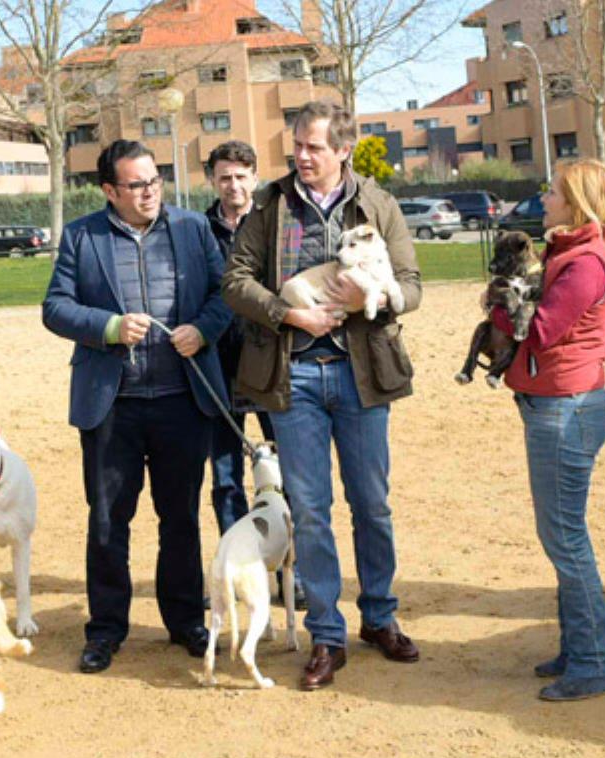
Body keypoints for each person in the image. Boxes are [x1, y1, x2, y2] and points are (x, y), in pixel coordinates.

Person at [222, 100, 422, 691]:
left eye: (313, 148)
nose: (302, 158)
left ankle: (380, 617)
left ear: (343, 150)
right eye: (297, 148)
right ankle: (327, 635)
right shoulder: (268, 204)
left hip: (364, 376)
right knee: (309, 511)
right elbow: (236, 282)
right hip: (294, 378)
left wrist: (372, 301)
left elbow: (412, 286)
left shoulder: (379, 204)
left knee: (372, 504)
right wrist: (289, 315)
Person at [42, 139, 233, 675]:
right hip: (112, 406)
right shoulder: (82, 235)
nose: (150, 193)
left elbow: (225, 295)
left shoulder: (194, 229)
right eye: (137, 185)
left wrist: (203, 329)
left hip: (181, 400)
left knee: (180, 519)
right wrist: (106, 328)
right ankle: (105, 629)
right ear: (109, 190)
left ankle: (184, 621)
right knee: (108, 522)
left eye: (155, 181)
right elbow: (55, 308)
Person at [490, 159, 605, 702]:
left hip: (565, 409)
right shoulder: (574, 252)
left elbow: (542, 330)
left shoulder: (587, 261)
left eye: (552, 192)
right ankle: (578, 648)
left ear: (577, 202)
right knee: (563, 536)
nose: (544, 198)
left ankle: (595, 662)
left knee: (566, 540)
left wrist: (498, 308)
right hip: (561, 404)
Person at [203, 140, 305, 610]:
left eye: (242, 176)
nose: (234, 185)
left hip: (270, 365)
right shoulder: (197, 230)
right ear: (212, 180)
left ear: (255, 177)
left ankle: (292, 572)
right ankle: (236, 569)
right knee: (225, 477)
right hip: (217, 368)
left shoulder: (276, 223)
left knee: (285, 476)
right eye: (225, 176)